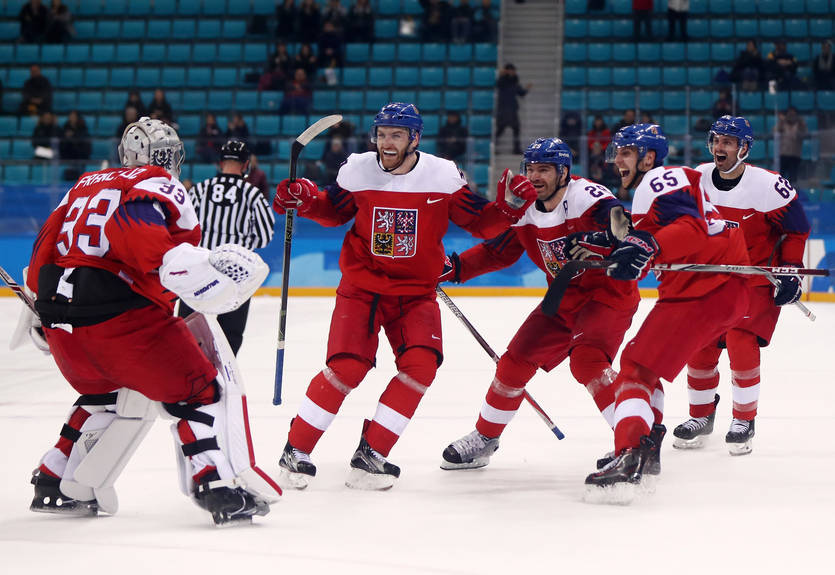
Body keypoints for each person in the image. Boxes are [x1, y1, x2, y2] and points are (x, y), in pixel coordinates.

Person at [17, 117, 279, 525]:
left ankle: (54, 477)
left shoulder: (84, 184)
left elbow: (41, 255)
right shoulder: (157, 183)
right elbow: (145, 243)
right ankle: (217, 484)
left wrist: (42, 314)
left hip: (61, 323)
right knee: (201, 389)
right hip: (121, 320)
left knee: (106, 396)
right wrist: (209, 271)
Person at [271, 102, 536, 490]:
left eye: (396, 135)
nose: (386, 142)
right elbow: (333, 211)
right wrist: (306, 200)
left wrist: (508, 209)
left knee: (421, 367)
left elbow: (479, 223)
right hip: (362, 289)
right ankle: (296, 450)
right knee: (347, 367)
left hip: (414, 294)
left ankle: (372, 453)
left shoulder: (442, 174)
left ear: (415, 138)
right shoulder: (358, 168)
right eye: (381, 134)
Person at [439, 138, 640, 471]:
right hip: (562, 299)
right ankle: (486, 437)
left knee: (588, 362)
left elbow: (617, 219)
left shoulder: (585, 196)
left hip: (607, 295)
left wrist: (617, 233)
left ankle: (634, 444)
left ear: (563, 172)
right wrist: (455, 267)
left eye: (544, 169)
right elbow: (497, 251)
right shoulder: (525, 207)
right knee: (513, 363)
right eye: (530, 169)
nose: (534, 177)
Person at [580, 123, 751, 494]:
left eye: (626, 153)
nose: (618, 161)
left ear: (648, 156)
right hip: (710, 290)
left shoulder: (660, 177)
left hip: (706, 289)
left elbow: (690, 229)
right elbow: (662, 235)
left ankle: (629, 453)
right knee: (645, 366)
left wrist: (646, 245)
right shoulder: (658, 186)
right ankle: (646, 449)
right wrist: (622, 243)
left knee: (635, 369)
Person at [672, 116, 810, 455]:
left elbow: (797, 229)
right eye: (716, 140)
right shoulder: (697, 178)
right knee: (699, 345)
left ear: (744, 148)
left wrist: (791, 270)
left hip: (753, 280)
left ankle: (744, 420)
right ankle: (701, 415)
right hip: (711, 278)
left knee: (740, 340)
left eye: (728, 142)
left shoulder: (767, 185)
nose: (720, 147)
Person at [179, 138, 275, 355]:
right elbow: (264, 236)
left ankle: (187, 381)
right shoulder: (252, 195)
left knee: (186, 335)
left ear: (220, 163)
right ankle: (221, 384)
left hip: (198, 273)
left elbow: (183, 230)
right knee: (229, 338)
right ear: (245, 165)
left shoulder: (199, 190)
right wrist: (238, 246)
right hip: (236, 276)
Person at [496, 63, 531, 155]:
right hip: (503, 109)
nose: (512, 72)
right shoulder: (502, 81)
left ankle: (516, 148)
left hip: (512, 109)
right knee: (500, 129)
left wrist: (527, 89)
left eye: (513, 70)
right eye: (510, 70)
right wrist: (501, 75)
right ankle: (493, 147)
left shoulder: (514, 82)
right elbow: (498, 84)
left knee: (516, 129)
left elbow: (521, 93)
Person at [776, 107, 807, 184]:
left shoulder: (799, 125)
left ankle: (793, 194)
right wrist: (781, 121)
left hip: (794, 155)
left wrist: (801, 123)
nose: (791, 116)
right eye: (790, 114)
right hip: (784, 154)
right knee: (781, 178)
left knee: (793, 178)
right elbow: (775, 131)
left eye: (793, 114)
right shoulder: (783, 124)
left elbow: (805, 134)